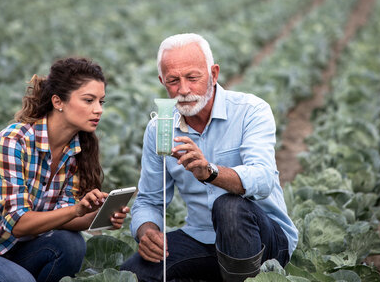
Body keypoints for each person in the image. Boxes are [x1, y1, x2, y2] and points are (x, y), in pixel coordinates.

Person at [120, 33, 298, 281]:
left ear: (213, 74)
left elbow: (264, 178)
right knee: (133, 274)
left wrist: (210, 172)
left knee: (229, 207)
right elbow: (150, 199)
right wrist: (147, 231)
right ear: (162, 81)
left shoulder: (251, 111)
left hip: (264, 240)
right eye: (173, 80)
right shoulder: (159, 128)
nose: (183, 90)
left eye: (193, 78)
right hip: (202, 237)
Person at [0, 57, 130, 282]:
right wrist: (76, 210)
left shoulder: (76, 150)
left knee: (71, 244)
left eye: (101, 102)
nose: (98, 110)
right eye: (88, 100)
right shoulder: (13, 141)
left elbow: (64, 218)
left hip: (15, 252)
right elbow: (18, 224)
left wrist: (96, 216)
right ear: (58, 102)